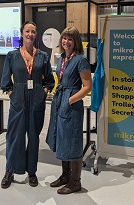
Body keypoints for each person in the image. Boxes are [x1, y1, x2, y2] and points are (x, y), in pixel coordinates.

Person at [0, 21, 55, 189]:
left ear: (36, 35)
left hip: (36, 102)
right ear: (22, 34)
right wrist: (13, 94)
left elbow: (49, 80)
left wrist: (43, 92)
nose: (30, 34)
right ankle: (10, 170)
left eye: (33, 31)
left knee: (33, 138)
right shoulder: (12, 55)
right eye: (27, 31)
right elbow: (5, 81)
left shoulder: (43, 56)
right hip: (18, 102)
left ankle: (32, 171)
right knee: (14, 137)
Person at [46, 26, 92, 194]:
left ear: (76, 42)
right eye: (64, 38)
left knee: (72, 141)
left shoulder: (80, 60)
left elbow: (87, 86)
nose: (66, 41)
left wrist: (70, 100)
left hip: (71, 104)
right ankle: (65, 175)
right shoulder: (63, 58)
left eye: (70, 39)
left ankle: (75, 182)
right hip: (60, 100)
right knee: (62, 138)